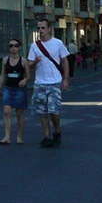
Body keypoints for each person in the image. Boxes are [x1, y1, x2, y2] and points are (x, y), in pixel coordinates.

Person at [26, 18, 71, 148]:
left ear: (49, 29)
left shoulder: (57, 43)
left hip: (54, 81)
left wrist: (66, 79)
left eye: (43, 28)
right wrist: (35, 62)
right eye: (39, 28)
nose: (41, 30)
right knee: (42, 111)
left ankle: (57, 131)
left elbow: (64, 61)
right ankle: (46, 136)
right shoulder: (35, 46)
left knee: (53, 110)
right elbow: (29, 64)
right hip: (40, 82)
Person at [0, 38, 30, 146]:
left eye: (15, 45)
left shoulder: (23, 61)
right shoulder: (5, 60)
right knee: (7, 111)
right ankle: (7, 137)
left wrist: (25, 80)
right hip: (8, 88)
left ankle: (19, 136)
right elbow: (2, 75)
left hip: (19, 89)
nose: (13, 48)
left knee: (19, 113)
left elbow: (28, 75)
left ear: (19, 47)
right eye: (11, 46)